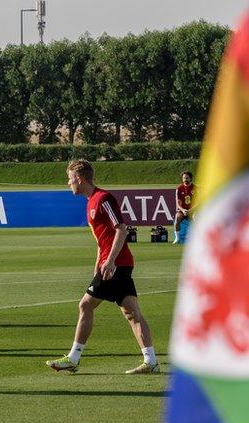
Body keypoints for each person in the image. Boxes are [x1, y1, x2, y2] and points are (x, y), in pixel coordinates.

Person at [47, 159, 158, 374]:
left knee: (85, 305)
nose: (68, 183)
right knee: (131, 312)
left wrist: (110, 261)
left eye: (70, 179)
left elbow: (121, 229)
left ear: (79, 179)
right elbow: (102, 239)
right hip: (115, 263)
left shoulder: (103, 198)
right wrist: (99, 262)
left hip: (115, 265)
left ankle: (73, 358)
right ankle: (151, 361)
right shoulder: (91, 202)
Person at [173, 171, 195, 245]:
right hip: (182, 210)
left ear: (190, 179)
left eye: (187, 178)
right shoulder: (179, 189)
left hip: (193, 210)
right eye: (184, 178)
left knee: (197, 219)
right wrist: (183, 210)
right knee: (177, 219)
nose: (185, 179)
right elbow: (178, 203)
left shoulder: (195, 188)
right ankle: (177, 238)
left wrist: (191, 210)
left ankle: (196, 238)